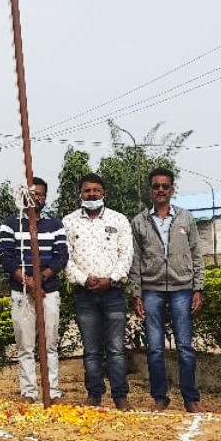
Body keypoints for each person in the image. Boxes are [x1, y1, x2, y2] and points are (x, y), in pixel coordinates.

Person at [129, 166, 205, 413]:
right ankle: (160, 398)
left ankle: (190, 398)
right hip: (151, 290)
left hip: (182, 288)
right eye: (156, 186)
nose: (160, 190)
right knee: (155, 348)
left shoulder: (185, 218)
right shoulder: (140, 221)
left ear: (172, 189)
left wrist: (198, 288)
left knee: (185, 347)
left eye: (165, 186)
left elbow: (196, 254)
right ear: (150, 191)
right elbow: (136, 260)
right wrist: (137, 293)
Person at [62, 172, 134, 410]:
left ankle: (120, 396)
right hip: (85, 294)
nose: (91, 194)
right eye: (87, 191)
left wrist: (111, 280)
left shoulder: (119, 220)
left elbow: (126, 255)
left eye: (96, 190)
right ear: (80, 194)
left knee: (116, 349)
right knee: (91, 349)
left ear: (104, 193)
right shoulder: (69, 222)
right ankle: (94, 394)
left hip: (113, 293)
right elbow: (66, 258)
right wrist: (83, 280)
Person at [0, 177, 68, 401]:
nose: (36, 198)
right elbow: (5, 256)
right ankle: (29, 391)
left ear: (45, 198)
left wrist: (42, 278)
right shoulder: (10, 224)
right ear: (24, 196)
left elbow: (61, 256)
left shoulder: (55, 225)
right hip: (21, 292)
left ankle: (52, 390)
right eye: (32, 194)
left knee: (50, 343)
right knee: (25, 345)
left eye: (40, 194)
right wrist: (27, 281)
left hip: (49, 290)